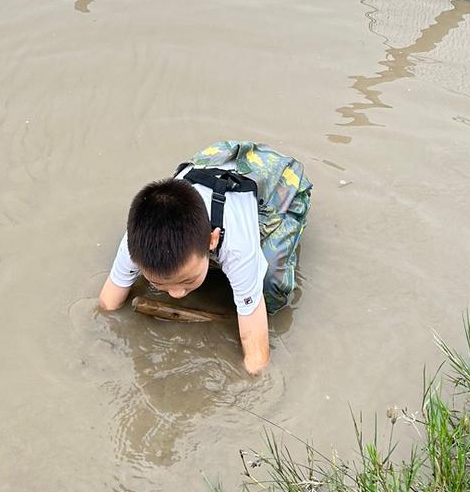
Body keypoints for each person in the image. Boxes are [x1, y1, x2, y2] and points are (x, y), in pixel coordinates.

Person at [98, 141, 312, 374]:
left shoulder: (238, 248)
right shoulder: (137, 239)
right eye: (158, 283)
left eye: (186, 282)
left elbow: (256, 348)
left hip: (280, 182)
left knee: (270, 284)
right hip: (217, 160)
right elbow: (109, 301)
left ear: (212, 240)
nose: (176, 294)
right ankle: (192, 272)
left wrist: (254, 378)